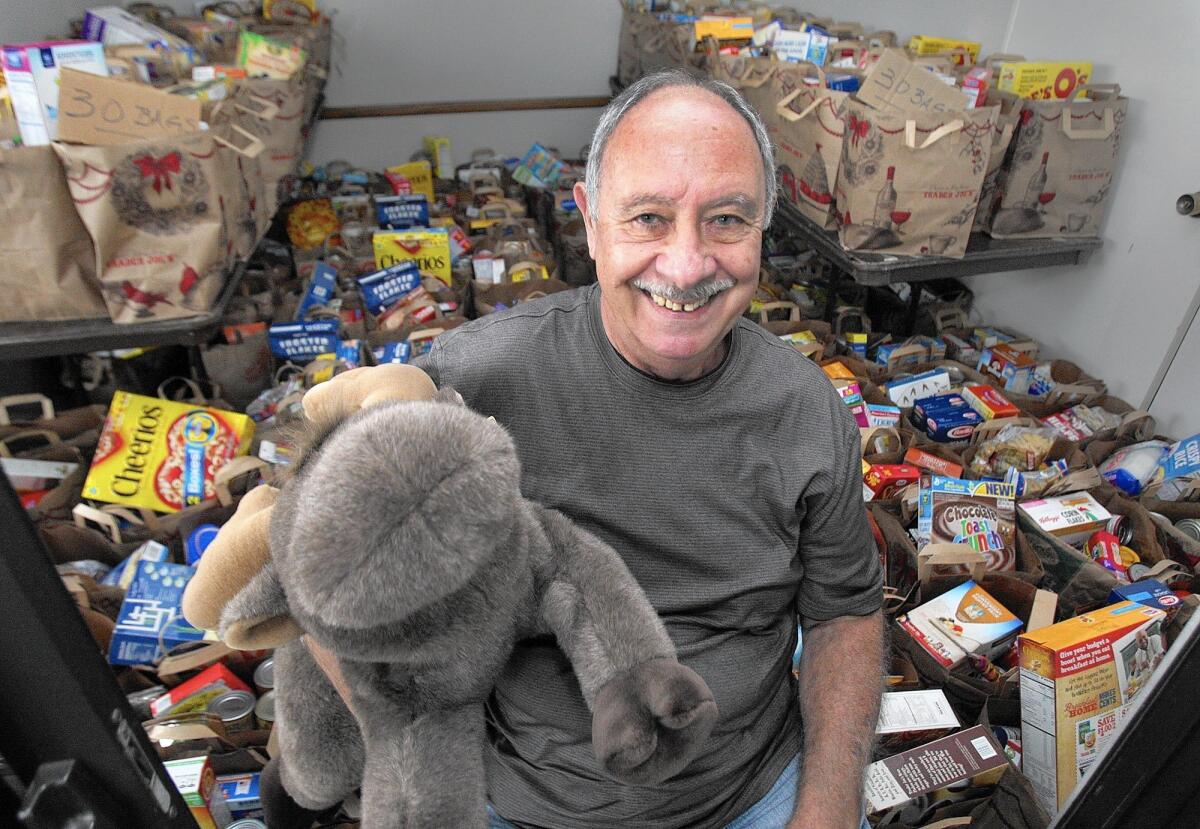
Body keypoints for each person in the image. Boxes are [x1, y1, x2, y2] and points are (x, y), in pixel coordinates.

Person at [313, 69, 885, 828]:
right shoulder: (465, 387)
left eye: (726, 220)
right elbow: (316, 575)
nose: (685, 265)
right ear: (588, 221)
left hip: (752, 797)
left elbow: (845, 612)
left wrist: (828, 806)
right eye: (647, 217)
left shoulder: (808, 409)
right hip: (514, 806)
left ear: (763, 229)